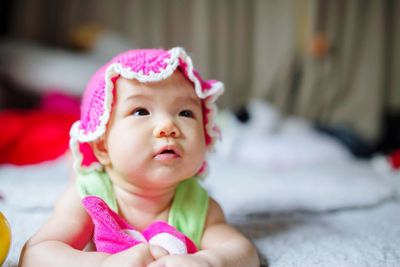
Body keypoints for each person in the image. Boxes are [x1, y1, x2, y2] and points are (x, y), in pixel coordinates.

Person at [19, 47, 259, 267]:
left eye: (185, 113)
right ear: (101, 145)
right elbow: (36, 254)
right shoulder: (89, 197)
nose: (168, 125)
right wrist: (105, 264)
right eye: (141, 111)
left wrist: (208, 261)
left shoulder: (199, 206)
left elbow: (242, 251)